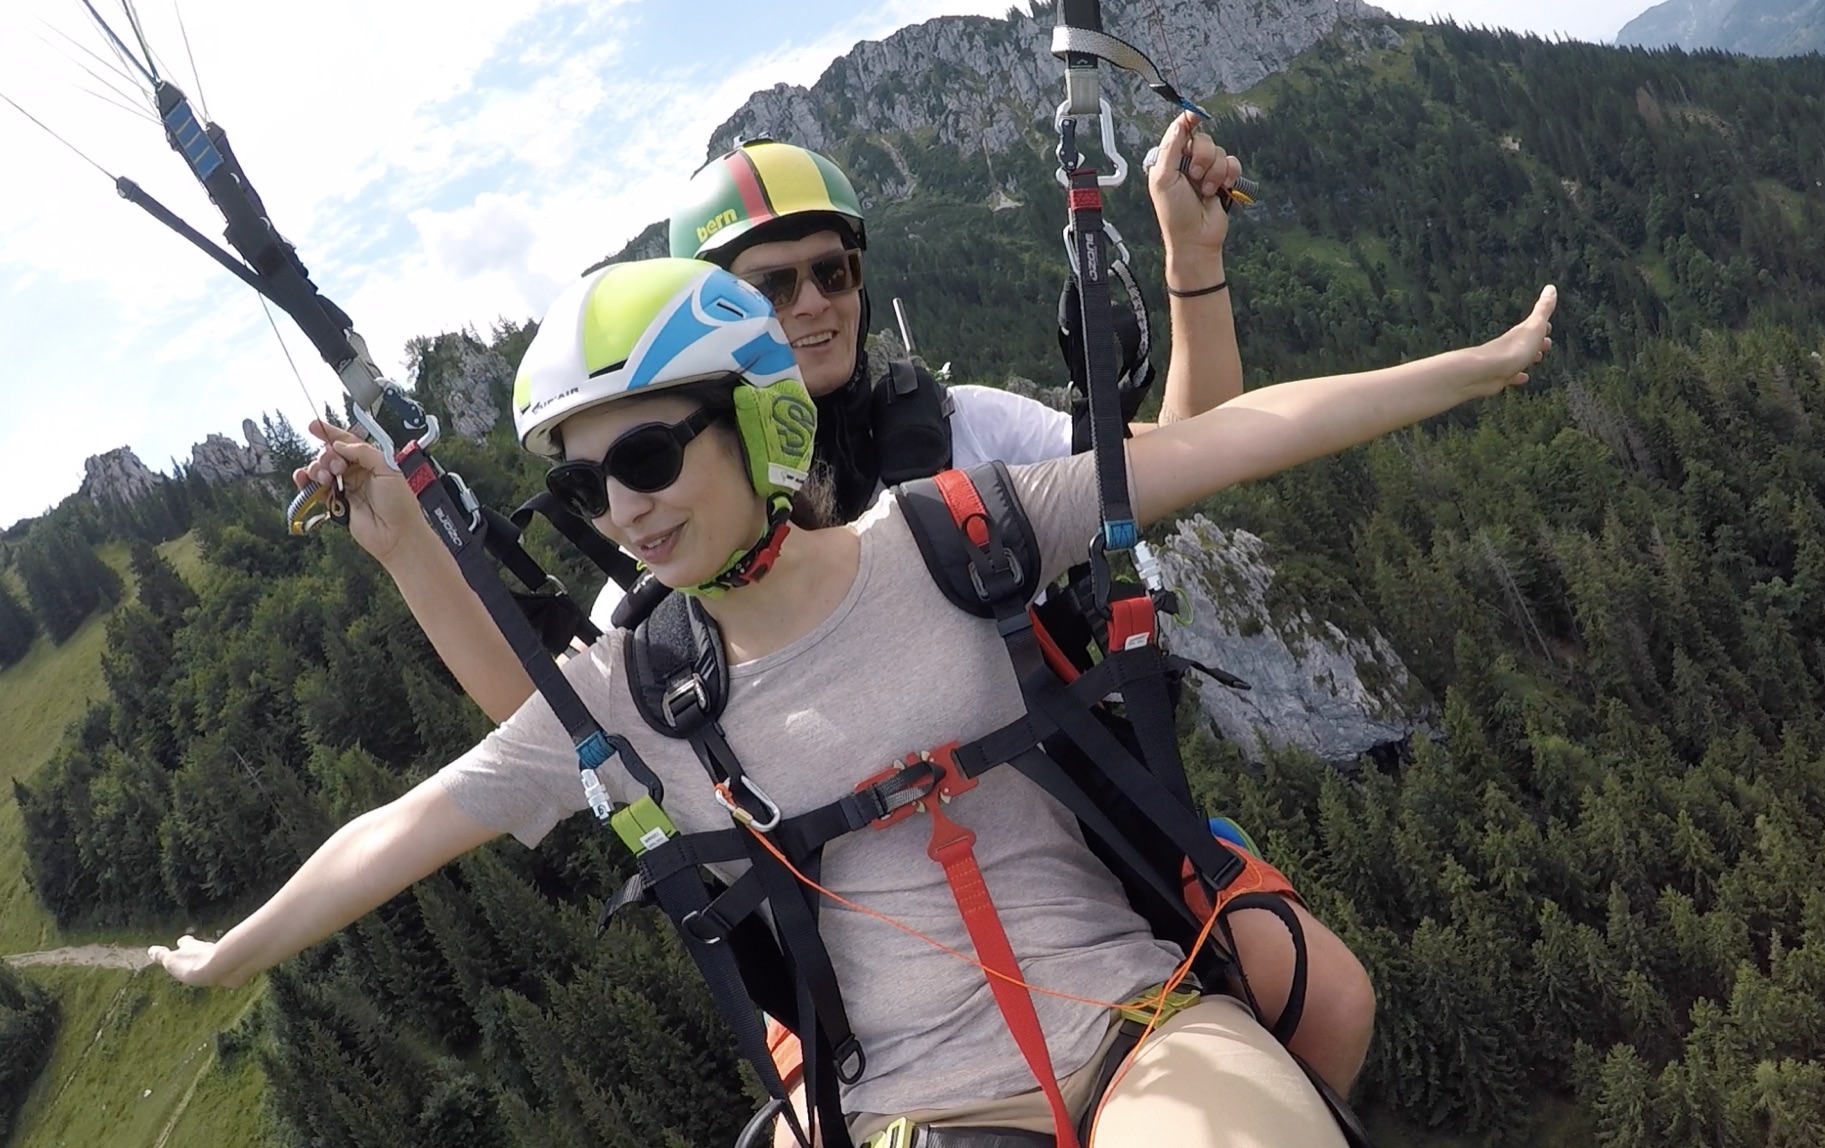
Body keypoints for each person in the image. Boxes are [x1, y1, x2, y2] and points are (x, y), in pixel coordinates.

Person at [154, 256, 1556, 1148]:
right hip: (901, 1111)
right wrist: (232, 955)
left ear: (758, 417)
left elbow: (1229, 441)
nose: (622, 508)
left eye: (645, 453)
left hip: (1141, 1032)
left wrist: (1478, 365)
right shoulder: (637, 692)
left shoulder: (961, 536)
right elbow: (402, 828)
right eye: (584, 485)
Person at [296, 117, 1382, 1097]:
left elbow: (1172, 466)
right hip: (855, 932)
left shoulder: (961, 431)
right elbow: (562, 722)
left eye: (833, 269)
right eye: (772, 285)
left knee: (1326, 1002)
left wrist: (1192, 267)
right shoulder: (666, 522)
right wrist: (408, 551)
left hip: (1077, 823)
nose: (813, 301)